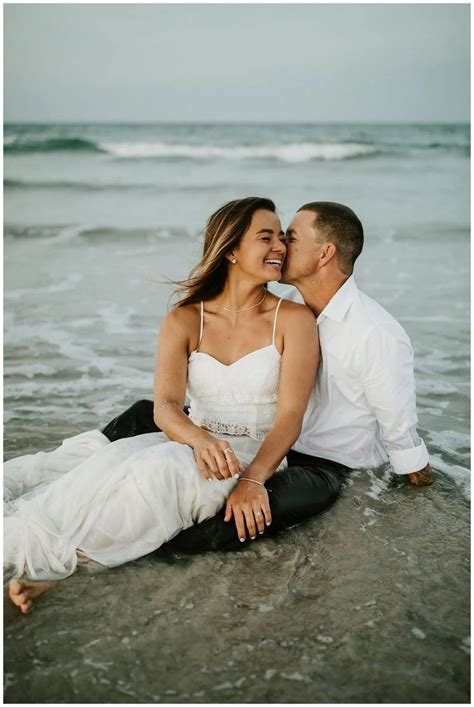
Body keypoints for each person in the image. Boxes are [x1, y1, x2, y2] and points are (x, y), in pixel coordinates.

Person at [5, 197, 320, 613]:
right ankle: (40, 558)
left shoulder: (295, 320)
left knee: (159, 473)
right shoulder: (185, 319)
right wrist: (199, 441)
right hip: (196, 443)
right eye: (266, 237)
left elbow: (291, 417)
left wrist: (253, 480)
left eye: (282, 237)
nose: (280, 246)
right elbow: (167, 408)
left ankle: (60, 572)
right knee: (103, 474)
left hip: (253, 455)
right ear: (230, 249)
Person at [100, 200, 434, 556]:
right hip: (267, 440)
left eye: (290, 237)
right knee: (142, 413)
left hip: (324, 464)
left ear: (324, 254)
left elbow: (399, 429)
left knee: (240, 515)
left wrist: (424, 491)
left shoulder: (375, 333)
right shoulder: (288, 302)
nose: (280, 247)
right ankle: (84, 483)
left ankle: (125, 550)